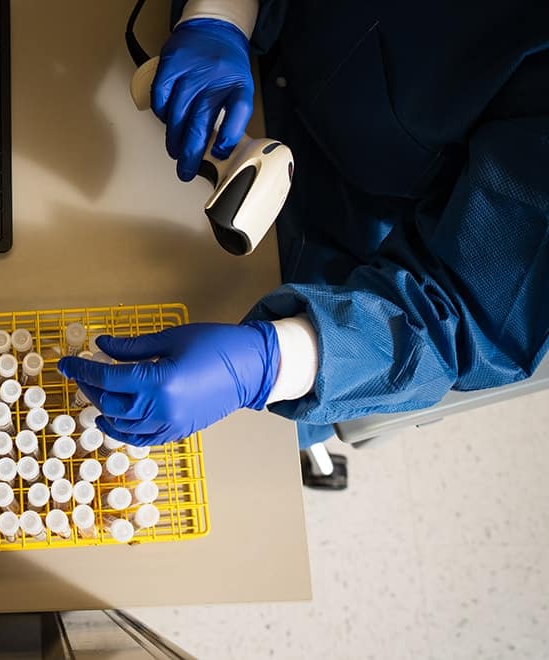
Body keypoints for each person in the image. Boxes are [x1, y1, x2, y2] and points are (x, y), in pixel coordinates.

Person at [58, 0, 548, 449]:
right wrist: (220, 16)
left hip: (343, 294)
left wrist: (269, 363)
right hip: (233, 86)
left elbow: (470, 316)